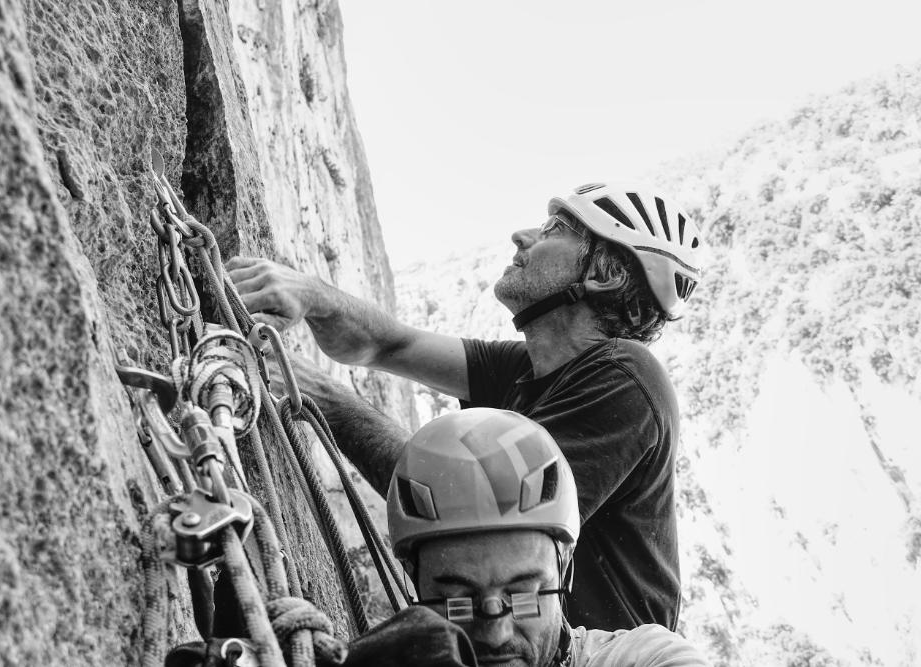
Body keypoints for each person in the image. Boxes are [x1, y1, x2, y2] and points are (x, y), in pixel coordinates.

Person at [226, 182, 704, 631]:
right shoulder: (528, 367)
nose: (523, 236)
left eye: (557, 230)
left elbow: (460, 517)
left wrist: (321, 395)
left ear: (606, 274)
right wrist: (311, 296)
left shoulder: (625, 380)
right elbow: (389, 345)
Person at [343, 408, 709, 667]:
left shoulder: (640, 658)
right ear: (414, 580)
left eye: (524, 597)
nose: (496, 635)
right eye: (457, 601)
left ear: (564, 572)